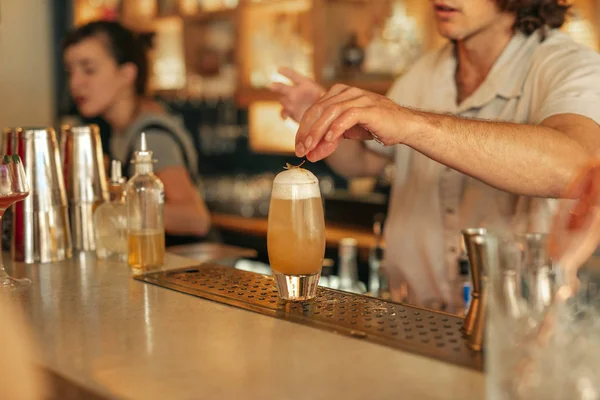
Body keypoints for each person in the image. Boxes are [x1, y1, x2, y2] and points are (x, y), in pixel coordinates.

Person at [272, 0, 600, 311]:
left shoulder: (570, 66)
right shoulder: (424, 71)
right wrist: (325, 118)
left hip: (515, 331)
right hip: (413, 319)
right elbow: (363, 161)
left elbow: (576, 165)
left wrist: (411, 123)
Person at [63, 21, 211, 246]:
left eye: (89, 69)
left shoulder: (151, 136)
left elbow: (195, 219)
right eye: (70, 71)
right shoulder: (119, 130)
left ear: (127, 74)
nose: (75, 83)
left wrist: (112, 208)